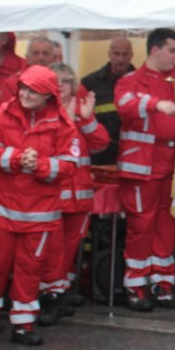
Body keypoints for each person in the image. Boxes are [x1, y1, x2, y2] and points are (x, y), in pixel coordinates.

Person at [0, 66, 73, 346]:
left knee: (30, 267)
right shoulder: (2, 114)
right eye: (24, 88)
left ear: (47, 95)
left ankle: (23, 323)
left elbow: (69, 166)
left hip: (39, 211)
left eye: (34, 91)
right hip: (0, 208)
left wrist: (38, 164)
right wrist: (17, 159)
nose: (26, 95)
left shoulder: (62, 124)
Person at [115, 28, 175, 311]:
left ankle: (163, 285)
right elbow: (125, 106)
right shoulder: (130, 81)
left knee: (167, 227)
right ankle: (135, 287)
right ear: (155, 50)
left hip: (172, 169)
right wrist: (157, 104)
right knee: (140, 227)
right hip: (141, 167)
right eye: (172, 50)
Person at [38, 64, 107, 323]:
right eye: (56, 81)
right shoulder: (43, 114)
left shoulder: (81, 112)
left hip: (80, 196)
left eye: (67, 81)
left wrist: (86, 119)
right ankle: (47, 298)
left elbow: (100, 143)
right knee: (52, 252)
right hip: (53, 196)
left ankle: (59, 293)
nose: (61, 85)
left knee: (69, 250)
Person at [81, 37, 135, 166]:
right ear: (109, 54)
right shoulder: (90, 83)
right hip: (101, 153)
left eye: (125, 54)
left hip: (133, 151)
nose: (120, 59)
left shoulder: (141, 82)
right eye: (116, 54)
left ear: (131, 55)